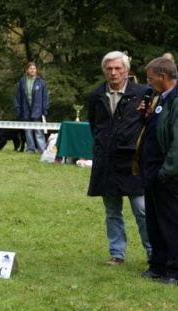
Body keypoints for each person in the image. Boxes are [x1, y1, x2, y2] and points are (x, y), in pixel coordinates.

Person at [87, 51, 152, 266]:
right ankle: (117, 253)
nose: (113, 72)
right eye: (109, 69)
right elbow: (94, 125)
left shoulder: (143, 93)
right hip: (107, 162)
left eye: (117, 68)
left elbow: (148, 125)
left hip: (133, 162)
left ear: (126, 70)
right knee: (112, 211)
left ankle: (154, 252)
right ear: (104, 71)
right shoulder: (96, 95)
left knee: (142, 209)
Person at [138, 57, 178, 285]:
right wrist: (144, 117)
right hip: (151, 172)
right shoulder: (159, 99)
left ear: (163, 77)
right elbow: (155, 131)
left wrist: (167, 172)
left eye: (150, 78)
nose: (147, 82)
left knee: (171, 223)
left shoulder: (176, 100)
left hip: (168, 175)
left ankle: (174, 270)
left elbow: (176, 142)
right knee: (154, 222)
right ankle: (158, 265)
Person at [14, 62, 49, 154]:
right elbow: (18, 96)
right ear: (27, 70)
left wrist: (44, 109)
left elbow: (45, 97)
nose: (32, 70)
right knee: (28, 130)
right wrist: (17, 108)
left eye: (34, 68)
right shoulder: (22, 81)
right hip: (25, 110)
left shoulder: (41, 82)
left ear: (36, 70)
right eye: (30, 68)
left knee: (38, 131)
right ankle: (30, 149)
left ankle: (42, 150)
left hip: (37, 111)